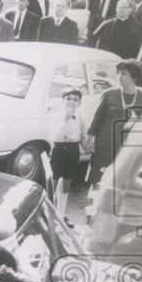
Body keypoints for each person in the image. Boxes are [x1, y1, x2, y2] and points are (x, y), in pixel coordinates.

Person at [86, 59, 142, 185]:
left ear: (134, 76)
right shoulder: (109, 94)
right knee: (97, 181)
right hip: (104, 145)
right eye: (118, 73)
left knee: (119, 182)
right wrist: (90, 140)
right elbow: (97, 119)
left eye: (123, 73)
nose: (119, 76)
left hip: (126, 148)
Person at [50, 87, 89, 221]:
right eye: (68, 98)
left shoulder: (80, 117)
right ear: (62, 100)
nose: (71, 102)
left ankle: (61, 214)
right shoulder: (56, 115)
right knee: (54, 182)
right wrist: (65, 119)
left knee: (66, 183)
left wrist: (87, 145)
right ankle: (51, 212)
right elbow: (55, 135)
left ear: (79, 103)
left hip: (73, 151)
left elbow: (83, 136)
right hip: (59, 149)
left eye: (75, 99)